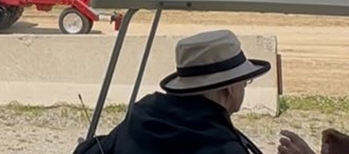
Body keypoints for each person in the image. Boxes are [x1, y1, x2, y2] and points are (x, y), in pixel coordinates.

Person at [73, 29, 271, 154]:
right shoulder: (223, 145)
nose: (244, 87)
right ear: (228, 88)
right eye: (245, 82)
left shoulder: (142, 115)